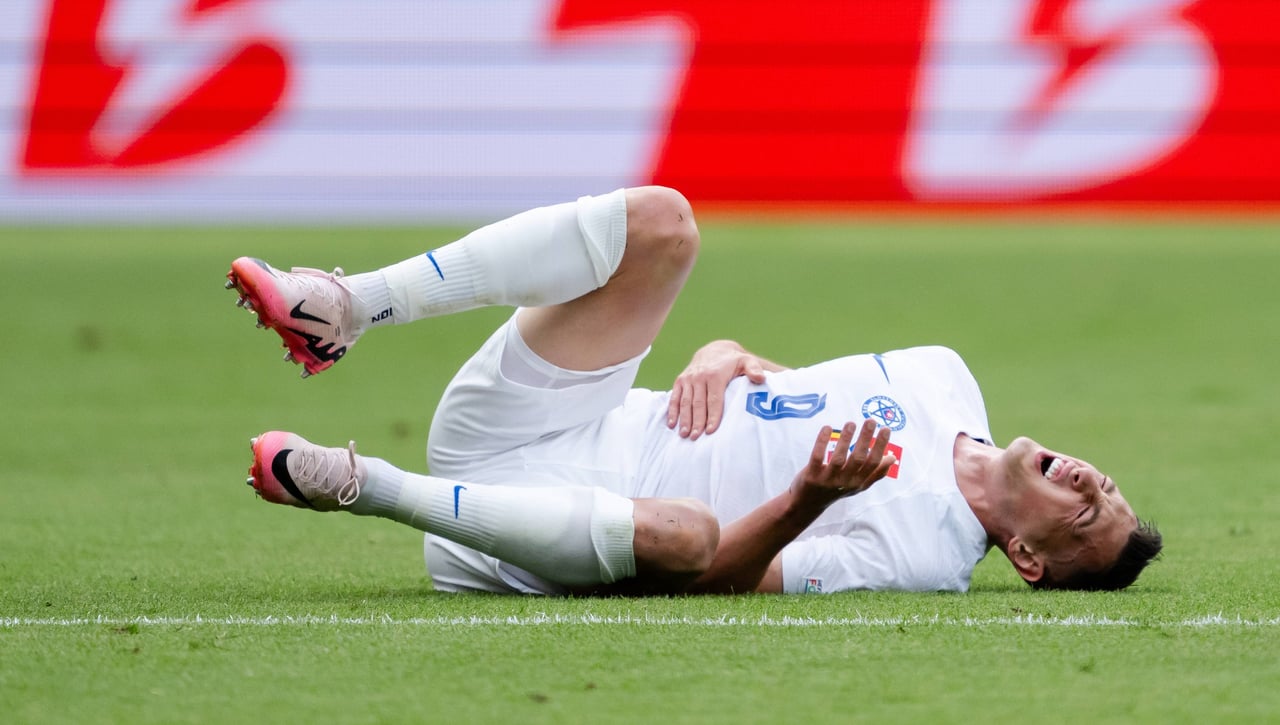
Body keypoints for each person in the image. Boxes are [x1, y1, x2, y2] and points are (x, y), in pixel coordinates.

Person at [225, 186, 1162, 595]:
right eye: (1106, 487)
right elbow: (787, 390)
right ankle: (346, 306)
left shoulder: (924, 554)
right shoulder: (946, 374)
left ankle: (362, 485)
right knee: (665, 224)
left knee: (687, 534)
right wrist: (725, 348)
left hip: (553, 517)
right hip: (560, 412)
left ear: (1030, 560)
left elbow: (726, 577)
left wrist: (804, 501)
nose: (1088, 485)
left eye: (1083, 519)